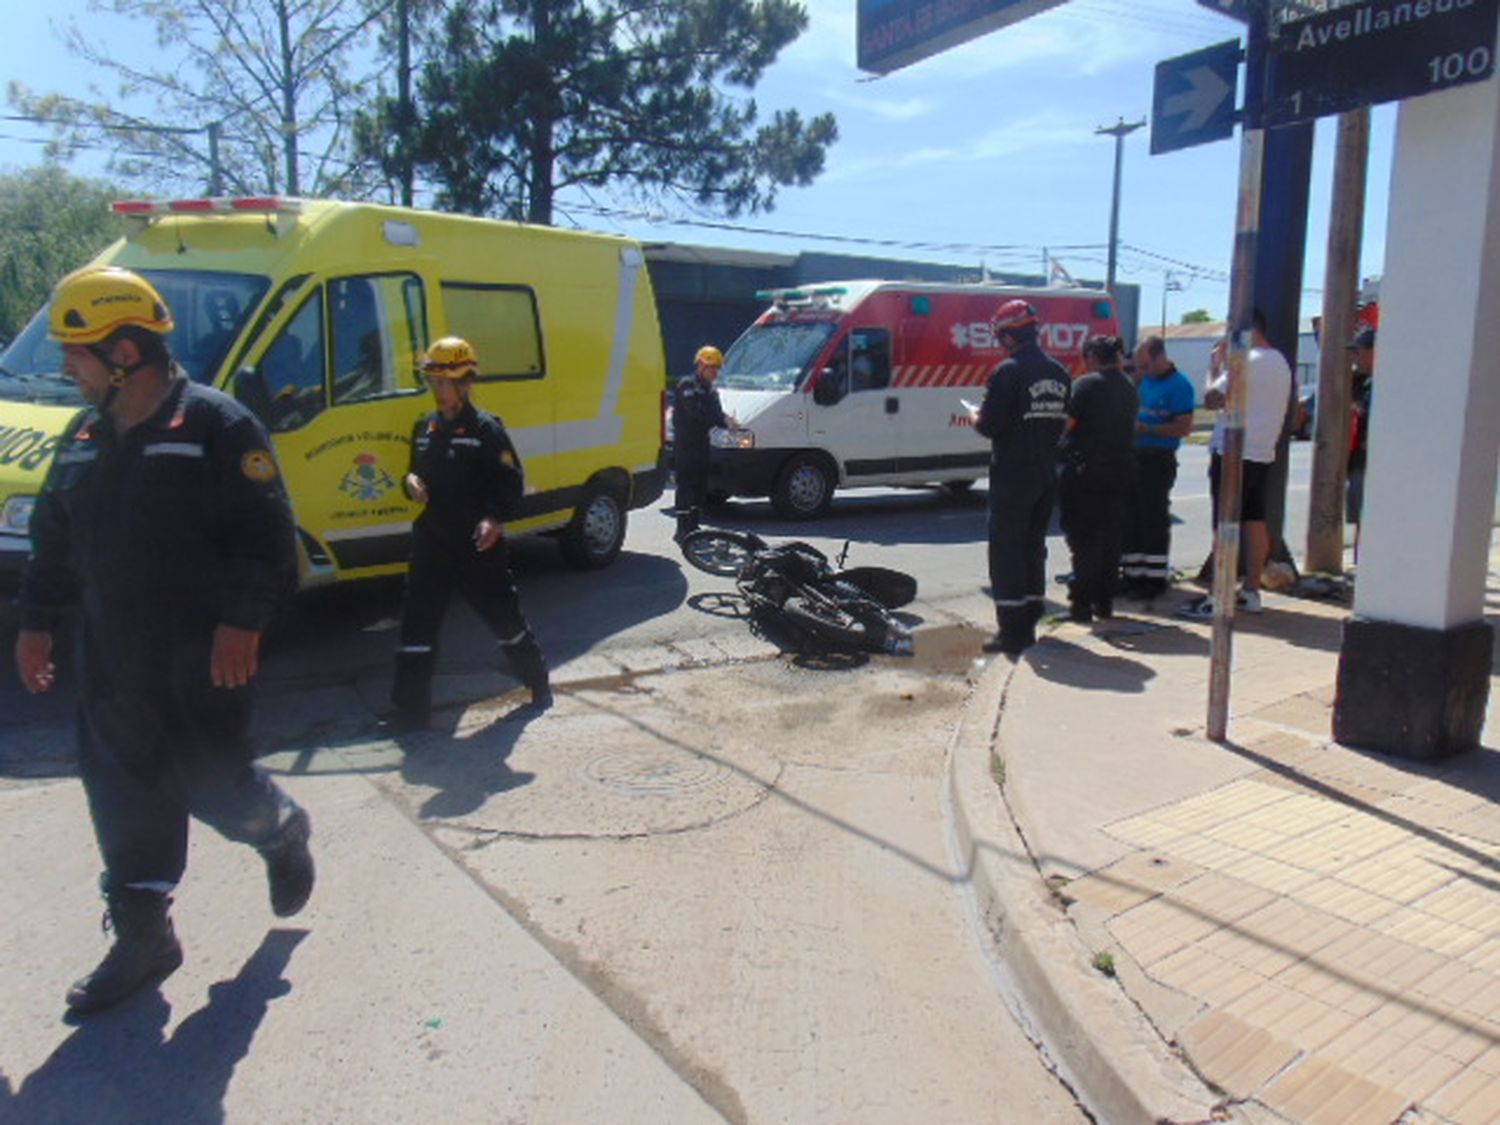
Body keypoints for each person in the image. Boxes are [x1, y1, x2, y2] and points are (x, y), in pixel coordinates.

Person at [14, 266, 313, 1016]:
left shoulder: (215, 425)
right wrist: (36, 622)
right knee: (122, 793)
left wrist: (242, 622)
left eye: (75, 352)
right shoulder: (84, 436)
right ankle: (145, 937)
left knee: (215, 788)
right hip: (111, 658)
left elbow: (267, 538)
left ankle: (278, 830)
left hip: (201, 660)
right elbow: (54, 537)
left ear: (123, 353)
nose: (64, 367)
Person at [390, 336, 550, 730]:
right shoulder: (423, 429)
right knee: (416, 627)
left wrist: (493, 519)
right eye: (434, 382)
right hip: (432, 546)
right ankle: (409, 713)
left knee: (505, 622)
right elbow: (412, 474)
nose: (440, 391)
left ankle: (537, 682)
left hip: (477, 549)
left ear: (466, 383)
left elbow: (511, 482)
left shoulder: (486, 429)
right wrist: (409, 482)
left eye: (446, 383)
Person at [972, 299, 1071, 655]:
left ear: (1010, 335)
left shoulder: (1008, 371)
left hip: (1013, 474)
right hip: (1045, 472)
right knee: (1032, 546)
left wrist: (975, 418)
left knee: (1007, 550)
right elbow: (1061, 424)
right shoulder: (1059, 372)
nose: (999, 344)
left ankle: (1012, 632)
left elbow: (990, 424)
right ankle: (1030, 617)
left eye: (1000, 336)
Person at [1182, 309, 1293, 618]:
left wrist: (1214, 366)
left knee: (1224, 522)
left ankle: (1218, 596)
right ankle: (1252, 590)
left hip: (1232, 450)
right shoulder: (1280, 362)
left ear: (1245, 331)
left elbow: (1212, 398)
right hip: (1261, 450)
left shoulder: (1247, 360)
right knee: (1254, 519)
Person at [1058, 336, 1139, 622]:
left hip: (1087, 473)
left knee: (1084, 540)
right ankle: (1104, 603)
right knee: (1110, 540)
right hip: (1120, 472)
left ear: (1093, 355)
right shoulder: (1128, 387)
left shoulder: (1087, 385)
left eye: (1085, 355)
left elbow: (1066, 425)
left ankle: (1081, 605)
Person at [1120, 335, 1196, 599]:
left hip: (1158, 456)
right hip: (1135, 455)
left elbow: (1184, 426)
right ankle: (1132, 574)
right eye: (1138, 366)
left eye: (1145, 365)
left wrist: (1148, 428)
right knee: (1131, 517)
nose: (1141, 370)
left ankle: (1153, 579)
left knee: (1153, 518)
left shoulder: (1180, 385)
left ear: (1160, 358)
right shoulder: (1143, 381)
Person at [672, 345, 728, 542]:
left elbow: (718, 416)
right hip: (686, 446)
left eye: (718, 369)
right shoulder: (687, 385)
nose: (716, 373)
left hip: (702, 444)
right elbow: (697, 415)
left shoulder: (710, 390)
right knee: (685, 485)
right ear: (702, 366)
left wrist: (729, 423)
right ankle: (682, 529)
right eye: (713, 368)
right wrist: (718, 418)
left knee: (700, 486)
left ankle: (694, 525)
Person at [1346, 326, 1375, 562]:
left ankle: (1365, 568)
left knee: (1368, 519)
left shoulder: (1381, 386)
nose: (1355, 358)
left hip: (1369, 462)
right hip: (1358, 461)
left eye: (1358, 352)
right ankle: (1361, 569)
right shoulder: (1364, 383)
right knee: (1361, 519)